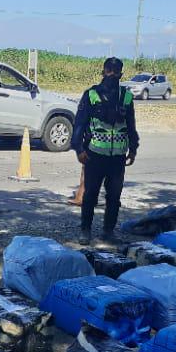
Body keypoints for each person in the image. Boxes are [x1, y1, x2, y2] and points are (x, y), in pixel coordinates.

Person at [71, 57, 139, 245]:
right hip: (94, 155)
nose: (112, 75)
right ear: (103, 72)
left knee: (114, 197)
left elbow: (131, 125)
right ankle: (85, 231)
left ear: (121, 74)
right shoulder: (91, 94)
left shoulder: (126, 97)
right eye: (109, 71)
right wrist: (78, 149)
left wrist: (133, 149)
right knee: (90, 195)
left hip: (117, 158)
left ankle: (108, 232)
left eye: (116, 72)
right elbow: (79, 124)